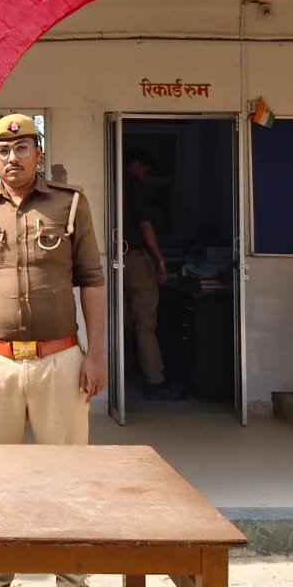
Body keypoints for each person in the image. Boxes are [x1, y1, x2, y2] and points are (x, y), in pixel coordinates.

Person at [0, 113, 110, 587]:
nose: (12, 157)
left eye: (22, 148)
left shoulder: (70, 204)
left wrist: (97, 354)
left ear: (37, 153)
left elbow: (91, 278)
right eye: (2, 149)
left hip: (60, 361)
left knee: (68, 483)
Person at [124, 148, 186, 401]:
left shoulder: (113, 184)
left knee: (123, 322)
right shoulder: (136, 187)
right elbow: (145, 225)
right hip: (136, 259)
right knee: (145, 323)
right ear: (137, 164)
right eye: (146, 170)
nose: (146, 175)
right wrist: (160, 260)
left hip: (117, 260)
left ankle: (125, 373)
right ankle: (155, 378)